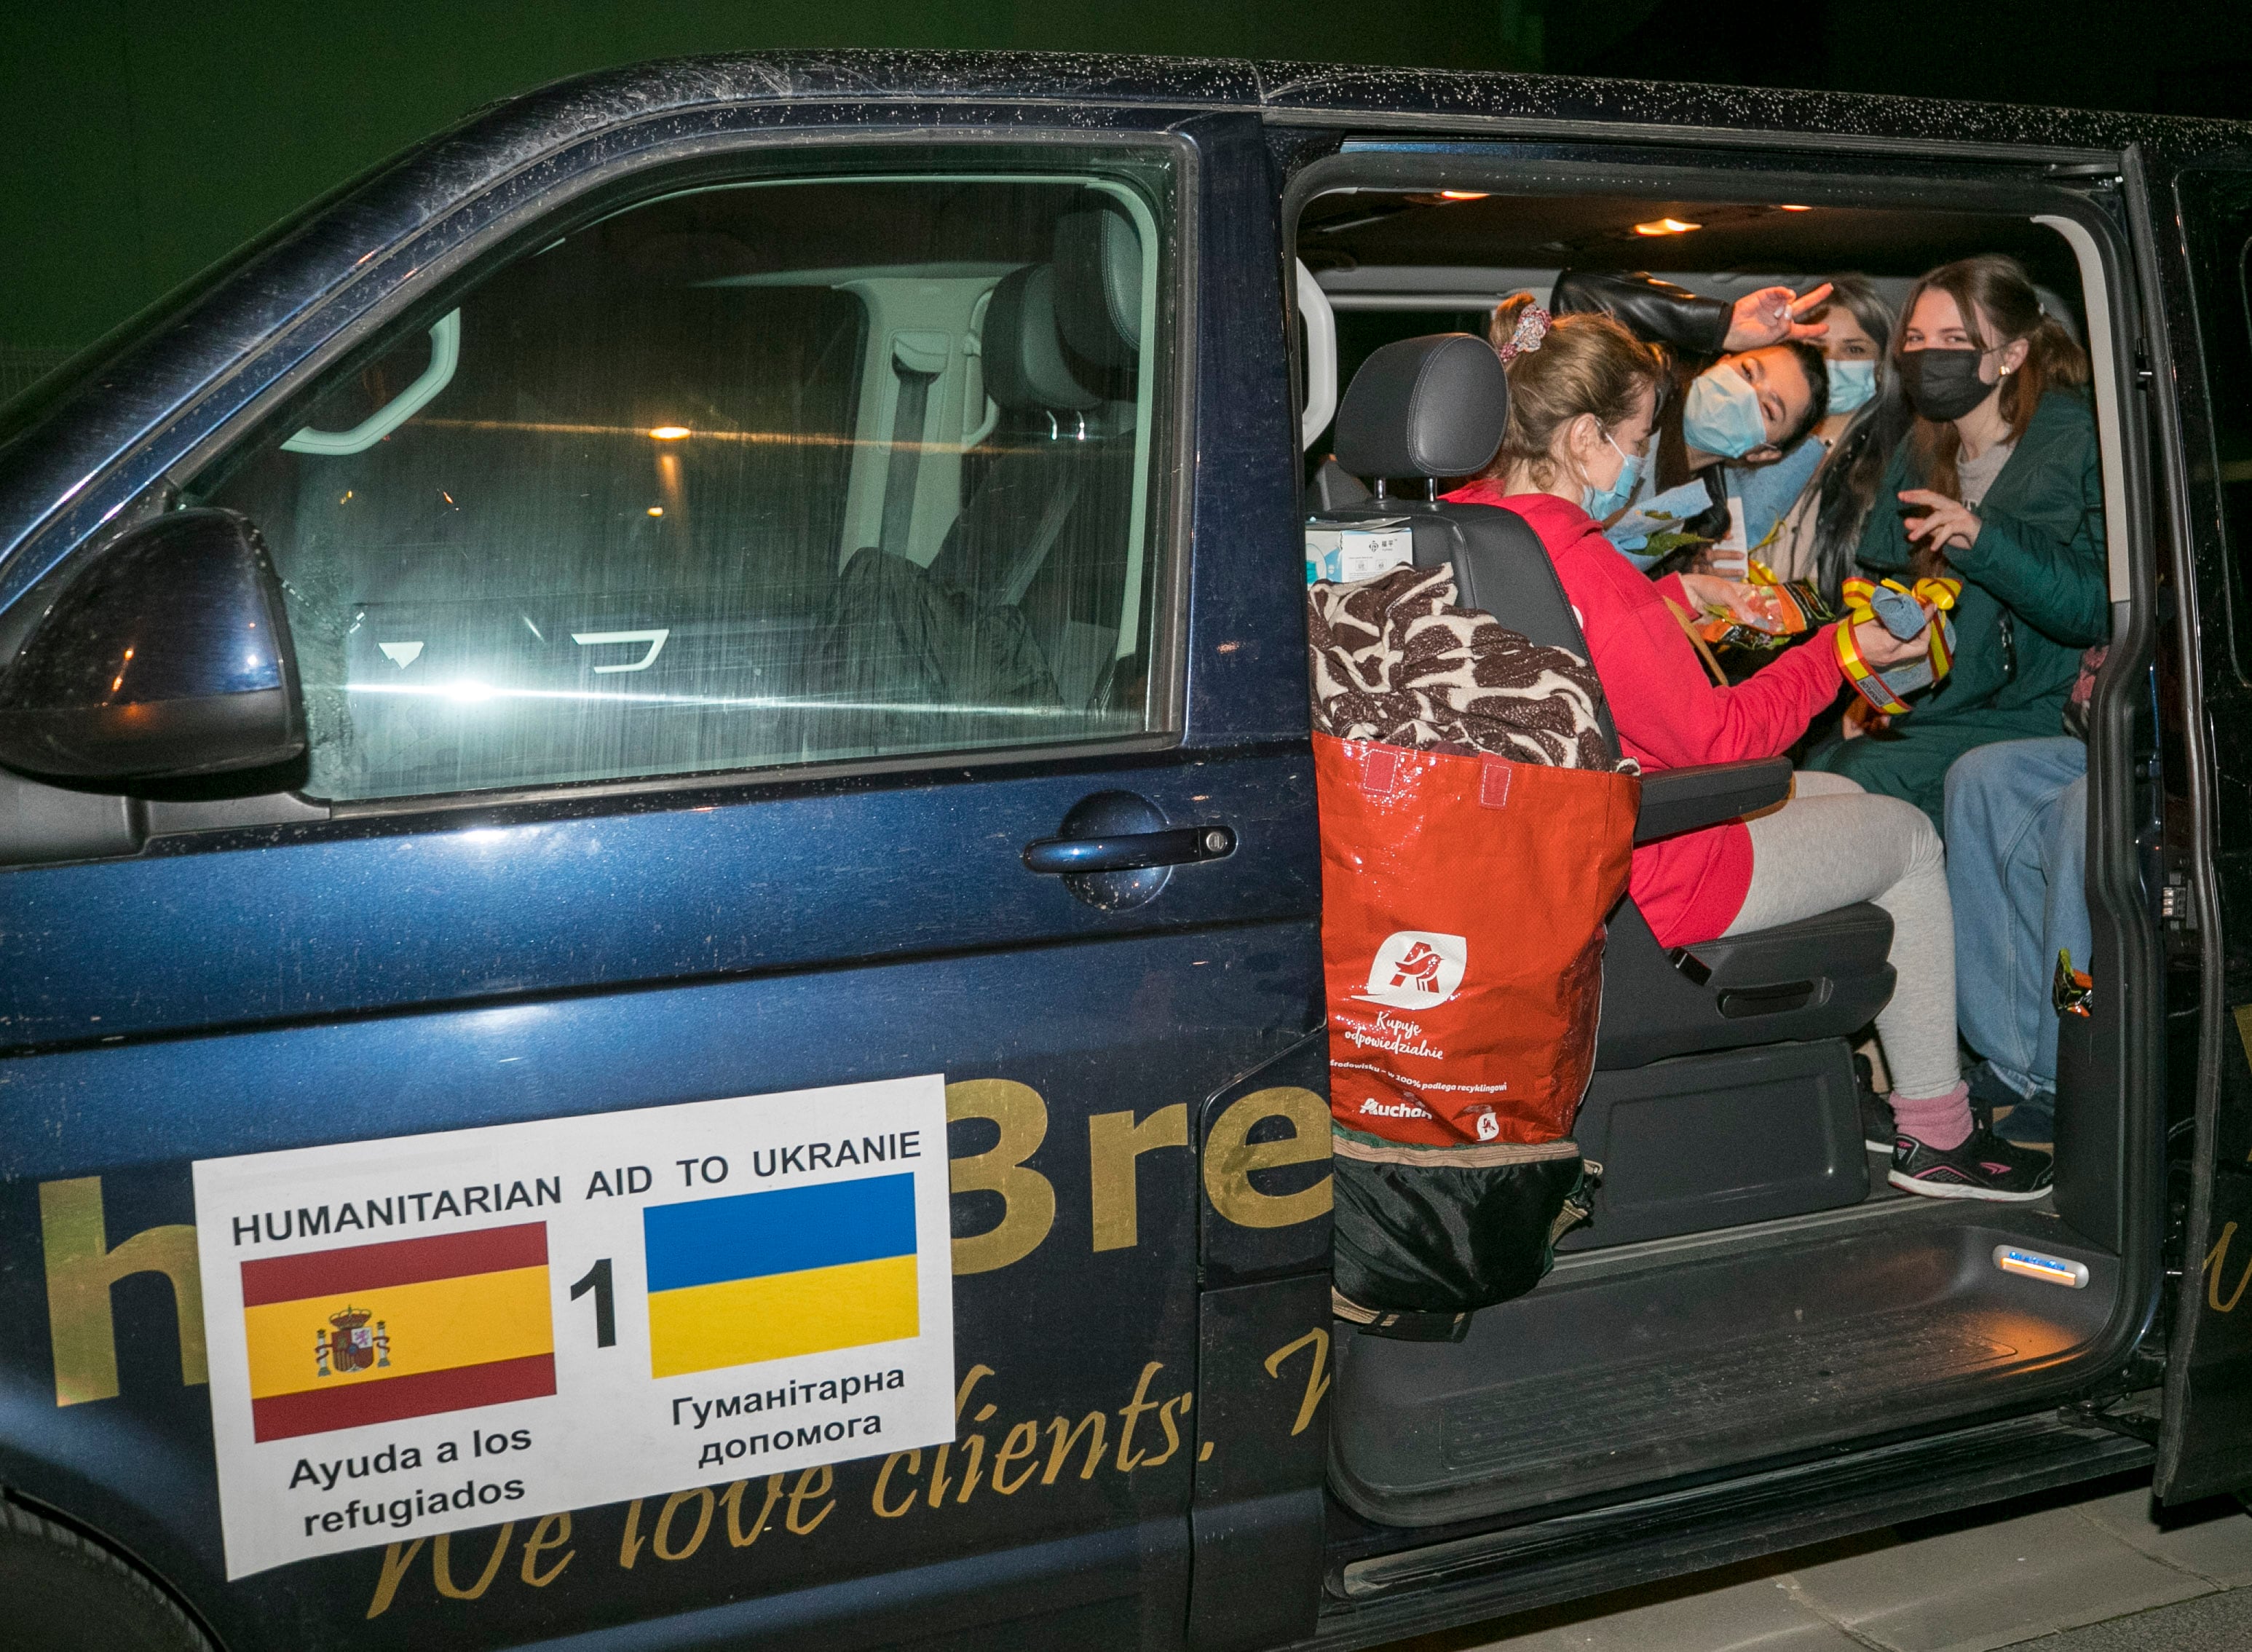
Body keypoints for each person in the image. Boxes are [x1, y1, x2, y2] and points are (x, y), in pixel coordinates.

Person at [1448, 296, 2052, 1201]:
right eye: (1636, 438)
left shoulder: (1467, 526)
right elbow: (1718, 740)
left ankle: (1878, 1085)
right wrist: (1840, 653)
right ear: (1582, 441)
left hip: (1537, 843)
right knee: (1908, 839)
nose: (1641, 459)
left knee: (1843, 801)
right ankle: (1939, 1132)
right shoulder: (1590, 573)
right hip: (1652, 860)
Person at [1803, 255, 2107, 831]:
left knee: (1861, 780)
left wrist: (1983, 538)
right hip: (1944, 699)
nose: (1927, 356)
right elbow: (1884, 584)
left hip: (2036, 708)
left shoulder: (2073, 439)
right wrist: (1869, 687)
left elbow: (2095, 608)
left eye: (1952, 339)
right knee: (1820, 771)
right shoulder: (1920, 451)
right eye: (1915, 339)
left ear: (2010, 356)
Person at [1502, 273, 1830, 568]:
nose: (1745, 394)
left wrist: (1684, 578)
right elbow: (1578, 294)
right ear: (1723, 359)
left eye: (1768, 409)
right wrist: (1720, 325)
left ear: (1763, 453)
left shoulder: (1703, 518)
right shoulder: (1642, 392)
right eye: (1747, 372)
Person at [1941, 645, 2106, 1147]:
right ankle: (2015, 1060)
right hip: (2107, 735)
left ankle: (2065, 1069)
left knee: (2085, 811)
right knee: (1978, 778)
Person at [1761, 274, 1913, 602]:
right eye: (1817, 348)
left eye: (1854, 349)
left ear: (1881, 365)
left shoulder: (1898, 467)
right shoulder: (1752, 448)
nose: (1833, 363)